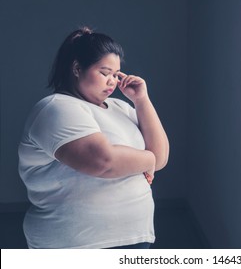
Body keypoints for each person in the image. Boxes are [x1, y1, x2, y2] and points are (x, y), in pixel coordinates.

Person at [18, 27, 169, 249]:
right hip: (76, 245)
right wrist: (148, 160)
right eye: (104, 72)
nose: (112, 82)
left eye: (116, 75)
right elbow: (103, 162)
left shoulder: (121, 107)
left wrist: (142, 100)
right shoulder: (56, 108)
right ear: (77, 68)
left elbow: (161, 157)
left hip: (135, 237)